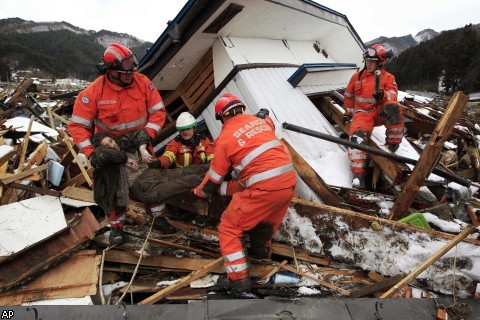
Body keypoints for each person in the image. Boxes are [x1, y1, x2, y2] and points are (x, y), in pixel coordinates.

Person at [192, 93, 297, 293]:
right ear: (240, 109)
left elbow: (214, 177)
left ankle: (239, 280)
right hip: (288, 182)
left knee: (229, 227)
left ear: (222, 117)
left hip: (265, 187)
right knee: (265, 221)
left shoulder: (224, 139)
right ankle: (261, 253)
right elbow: (267, 127)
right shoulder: (259, 123)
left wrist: (201, 192)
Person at [68, 43, 166, 160]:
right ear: (112, 71)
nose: (131, 75)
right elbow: (78, 126)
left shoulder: (143, 82)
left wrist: (146, 136)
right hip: (111, 150)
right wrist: (91, 153)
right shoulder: (92, 93)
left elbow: (158, 112)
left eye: (132, 71)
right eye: (126, 72)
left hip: (141, 146)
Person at [342, 44, 404, 189]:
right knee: (357, 138)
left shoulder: (388, 77)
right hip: (361, 115)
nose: (368, 64)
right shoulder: (356, 77)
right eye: (367, 61)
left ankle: (393, 144)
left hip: (377, 112)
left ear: (379, 62)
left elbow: (393, 95)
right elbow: (349, 97)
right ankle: (358, 176)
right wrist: (347, 113)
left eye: (372, 61)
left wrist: (383, 95)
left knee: (393, 107)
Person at [89, 129, 151, 245]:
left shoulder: (120, 145)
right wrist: (126, 159)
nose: (112, 145)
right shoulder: (100, 156)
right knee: (115, 214)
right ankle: (116, 232)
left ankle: (120, 230)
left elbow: (140, 132)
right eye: (107, 145)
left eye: (111, 141)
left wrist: (142, 148)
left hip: (126, 190)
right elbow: (106, 154)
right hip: (109, 193)